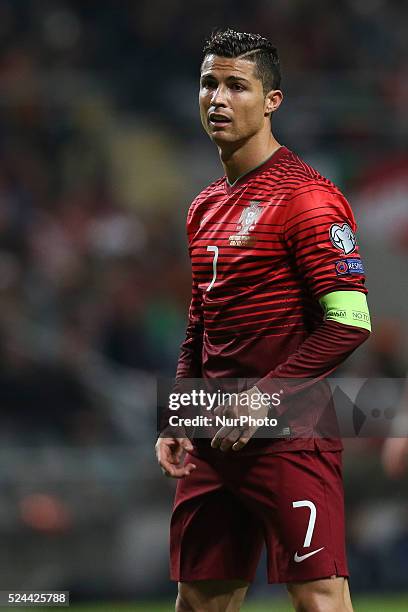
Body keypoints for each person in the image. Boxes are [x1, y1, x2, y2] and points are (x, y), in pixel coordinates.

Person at [156, 29, 371, 612]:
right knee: (199, 601)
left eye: (236, 85)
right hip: (212, 437)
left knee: (319, 599)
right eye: (208, 84)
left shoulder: (308, 197)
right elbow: (201, 317)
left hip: (290, 435)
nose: (217, 99)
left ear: (272, 100)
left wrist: (264, 400)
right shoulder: (203, 206)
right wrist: (180, 411)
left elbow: (350, 322)